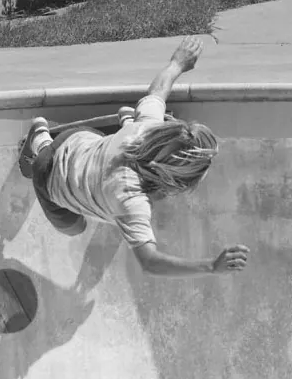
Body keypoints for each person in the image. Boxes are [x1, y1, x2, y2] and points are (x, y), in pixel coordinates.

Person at [19, 35, 249, 277]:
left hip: (80, 139)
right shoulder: (131, 199)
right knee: (75, 227)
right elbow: (150, 261)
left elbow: (158, 90)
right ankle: (40, 136)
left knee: (145, 175)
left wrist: (178, 63)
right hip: (48, 176)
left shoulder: (148, 128)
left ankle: (127, 121)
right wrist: (211, 266)